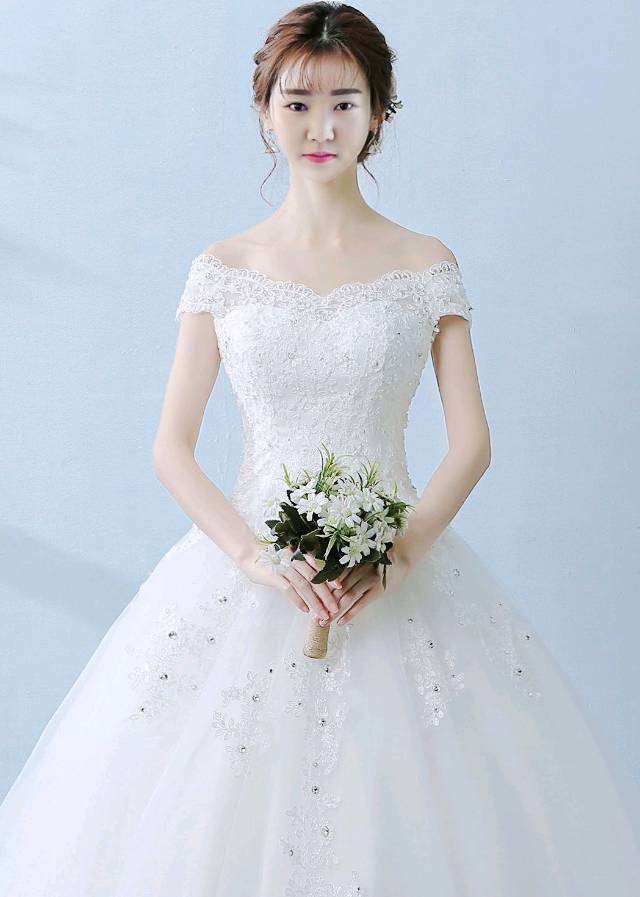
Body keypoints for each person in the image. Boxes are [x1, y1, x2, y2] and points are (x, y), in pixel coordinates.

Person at [1, 3, 639, 895]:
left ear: (379, 113)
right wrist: (255, 558)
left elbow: (472, 443)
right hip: (249, 574)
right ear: (265, 112)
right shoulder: (224, 267)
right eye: (298, 103)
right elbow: (172, 447)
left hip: (396, 575)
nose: (321, 127)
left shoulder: (424, 263)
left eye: (345, 103)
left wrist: (398, 553)